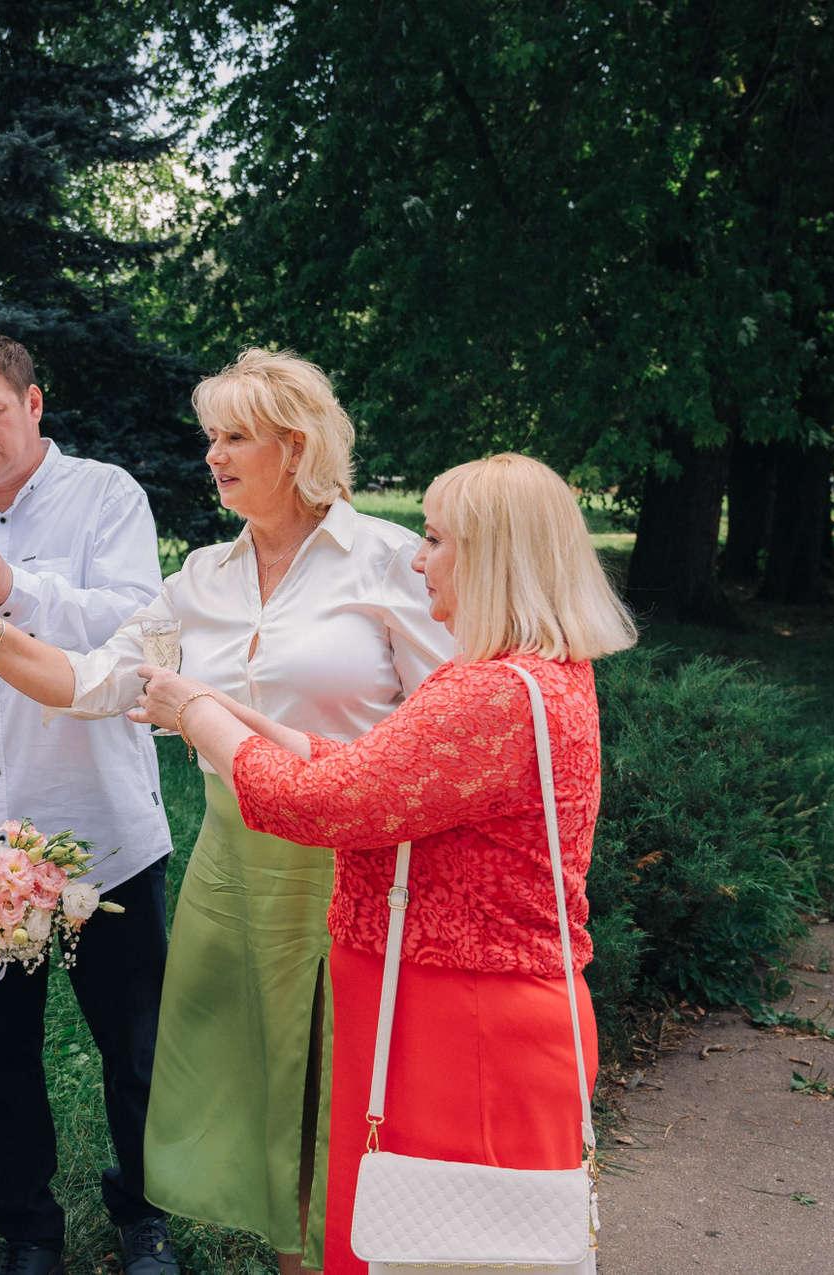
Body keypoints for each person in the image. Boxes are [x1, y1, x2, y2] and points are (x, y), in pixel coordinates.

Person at [0, 349, 457, 1272]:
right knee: (261, 1087)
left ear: (296, 447)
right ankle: (293, 1253)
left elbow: (446, 722)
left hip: (359, 861)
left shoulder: (388, 558)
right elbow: (92, 680)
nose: (212, 454)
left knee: (349, 1077)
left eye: (234, 436)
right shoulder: (201, 579)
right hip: (237, 864)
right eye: (211, 435)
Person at [133, 452, 636, 1272]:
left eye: (435, 539)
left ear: (491, 556)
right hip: (474, 1013)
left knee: (433, 1247)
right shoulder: (535, 676)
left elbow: (319, 805)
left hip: (459, 1025)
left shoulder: (486, 694)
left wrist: (195, 715)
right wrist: (233, 713)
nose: (417, 559)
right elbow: (370, 774)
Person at [0, 333, 177, 1275]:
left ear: (33, 404)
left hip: (99, 825)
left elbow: (139, 622)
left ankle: (146, 1215)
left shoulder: (108, 496)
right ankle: (27, 1229)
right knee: (2, 1051)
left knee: (135, 1044)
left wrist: (19, 589)